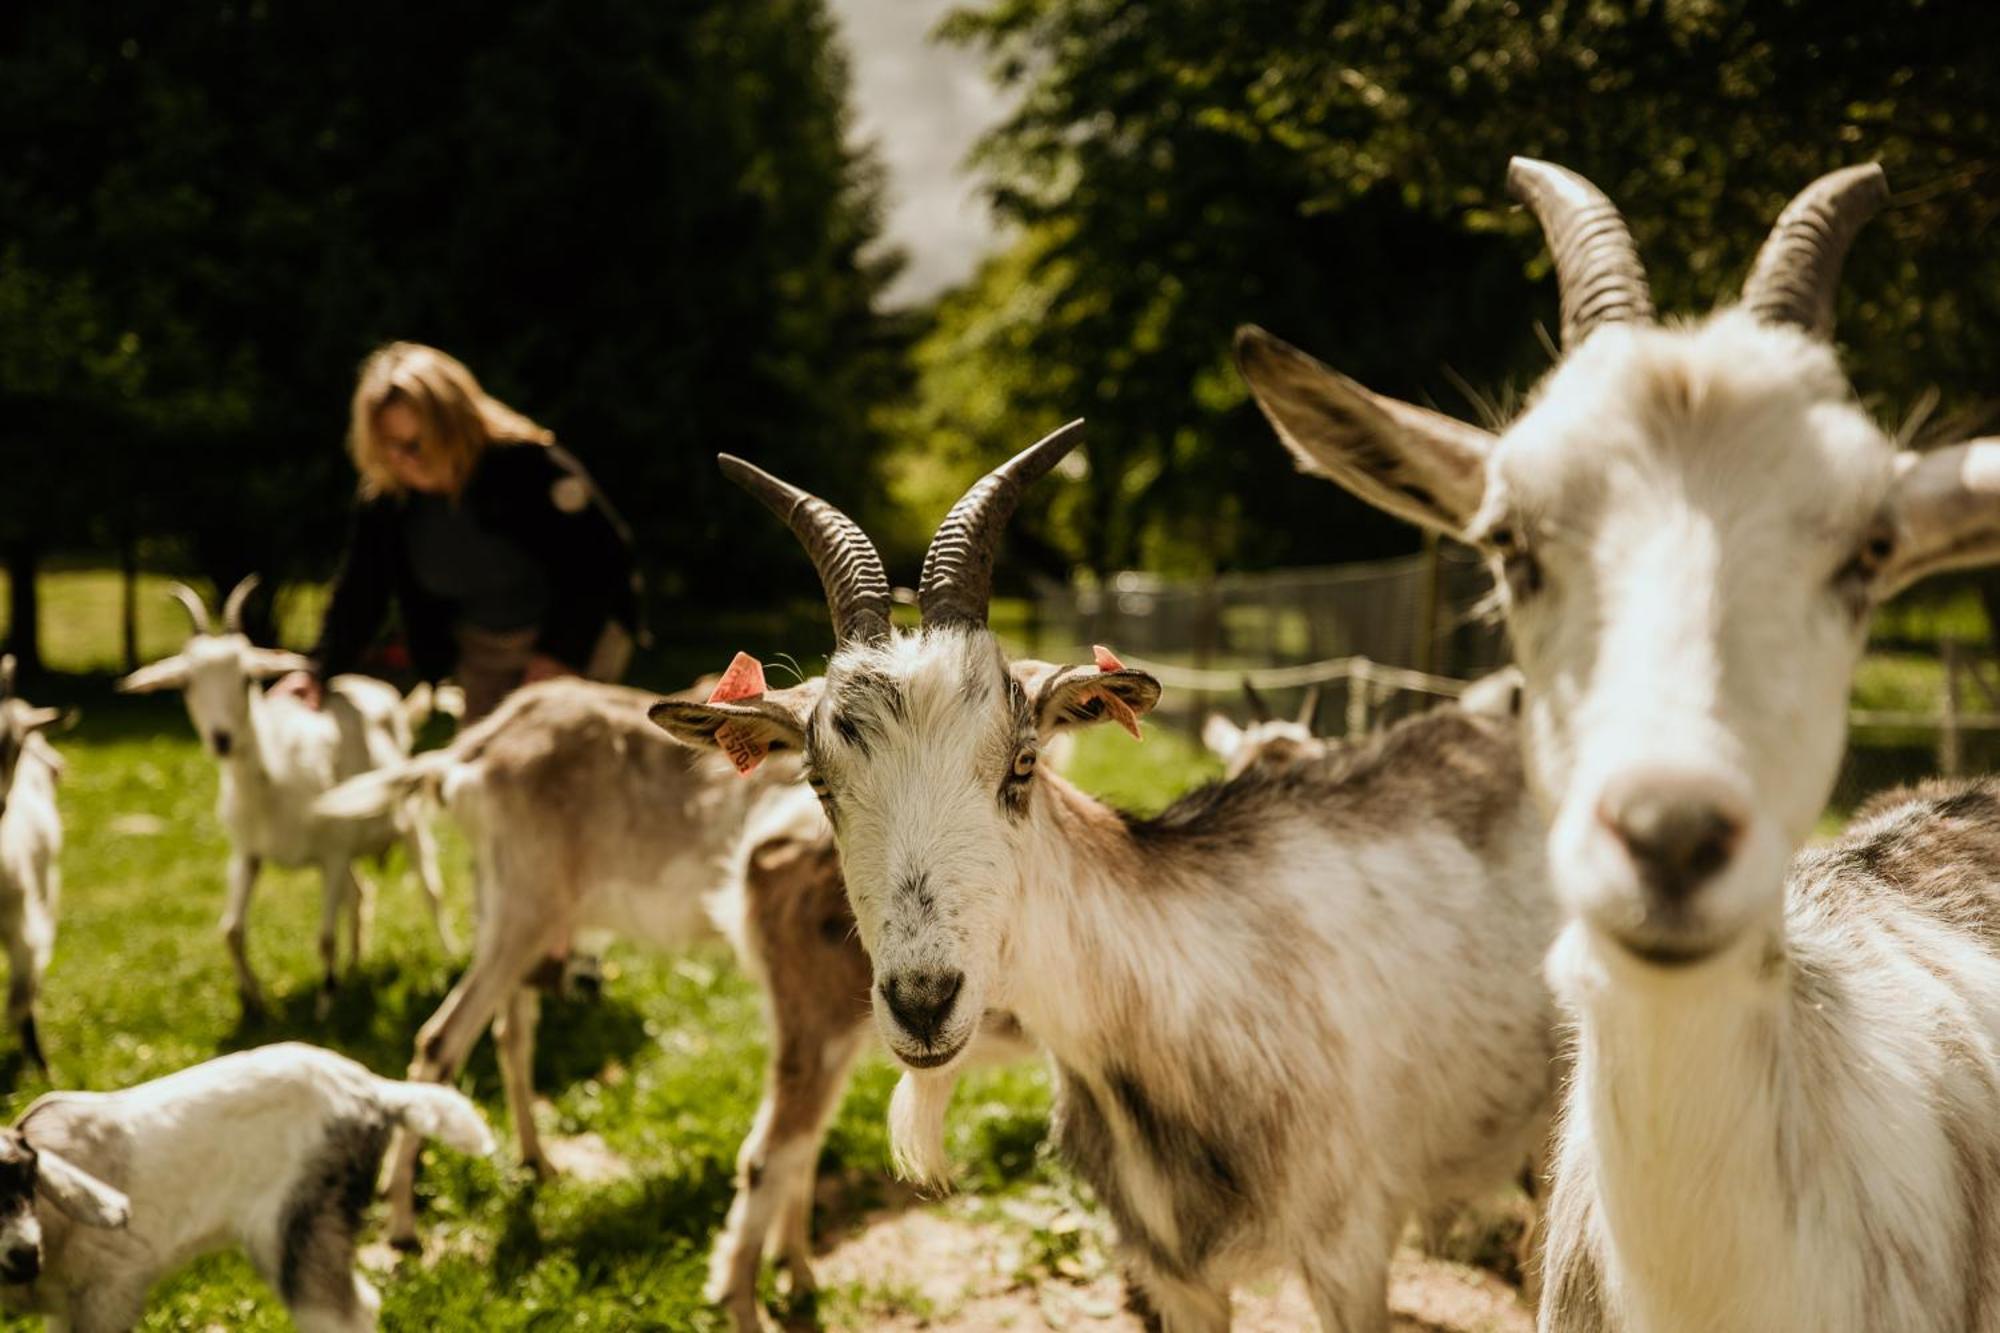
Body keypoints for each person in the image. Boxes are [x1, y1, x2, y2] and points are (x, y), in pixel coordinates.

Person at [275, 343, 642, 721]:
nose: (405, 460)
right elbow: (361, 590)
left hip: (578, 634)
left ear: (453, 424)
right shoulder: (389, 500)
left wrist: (559, 656)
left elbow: (601, 564)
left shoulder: (527, 467)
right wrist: (317, 669)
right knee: (487, 769)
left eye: (416, 444)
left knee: (565, 759)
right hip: (484, 651)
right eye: (389, 448)